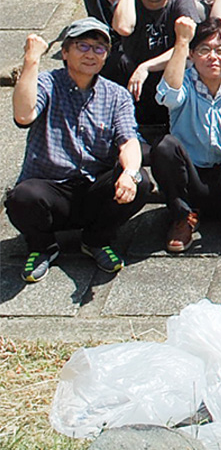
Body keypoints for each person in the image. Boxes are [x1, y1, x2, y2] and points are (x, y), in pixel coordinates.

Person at [8, 18, 151, 282]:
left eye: (99, 48)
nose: (90, 54)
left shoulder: (116, 95)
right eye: (82, 46)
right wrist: (31, 60)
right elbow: (24, 115)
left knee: (140, 181)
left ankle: (96, 240)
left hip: (93, 189)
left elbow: (128, 140)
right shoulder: (47, 83)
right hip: (51, 188)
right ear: (65, 52)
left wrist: (129, 173)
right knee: (22, 197)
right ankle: (43, 247)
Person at [152, 16, 221, 252]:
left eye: (220, 50)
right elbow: (167, 96)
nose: (213, 57)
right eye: (204, 50)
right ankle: (183, 216)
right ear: (192, 55)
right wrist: (182, 41)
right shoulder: (183, 82)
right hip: (191, 177)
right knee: (164, 146)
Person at [108, 0, 203, 136]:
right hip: (133, 77)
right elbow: (124, 27)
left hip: (168, 76)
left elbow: (190, 46)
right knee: (113, 61)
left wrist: (146, 67)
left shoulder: (181, 2)